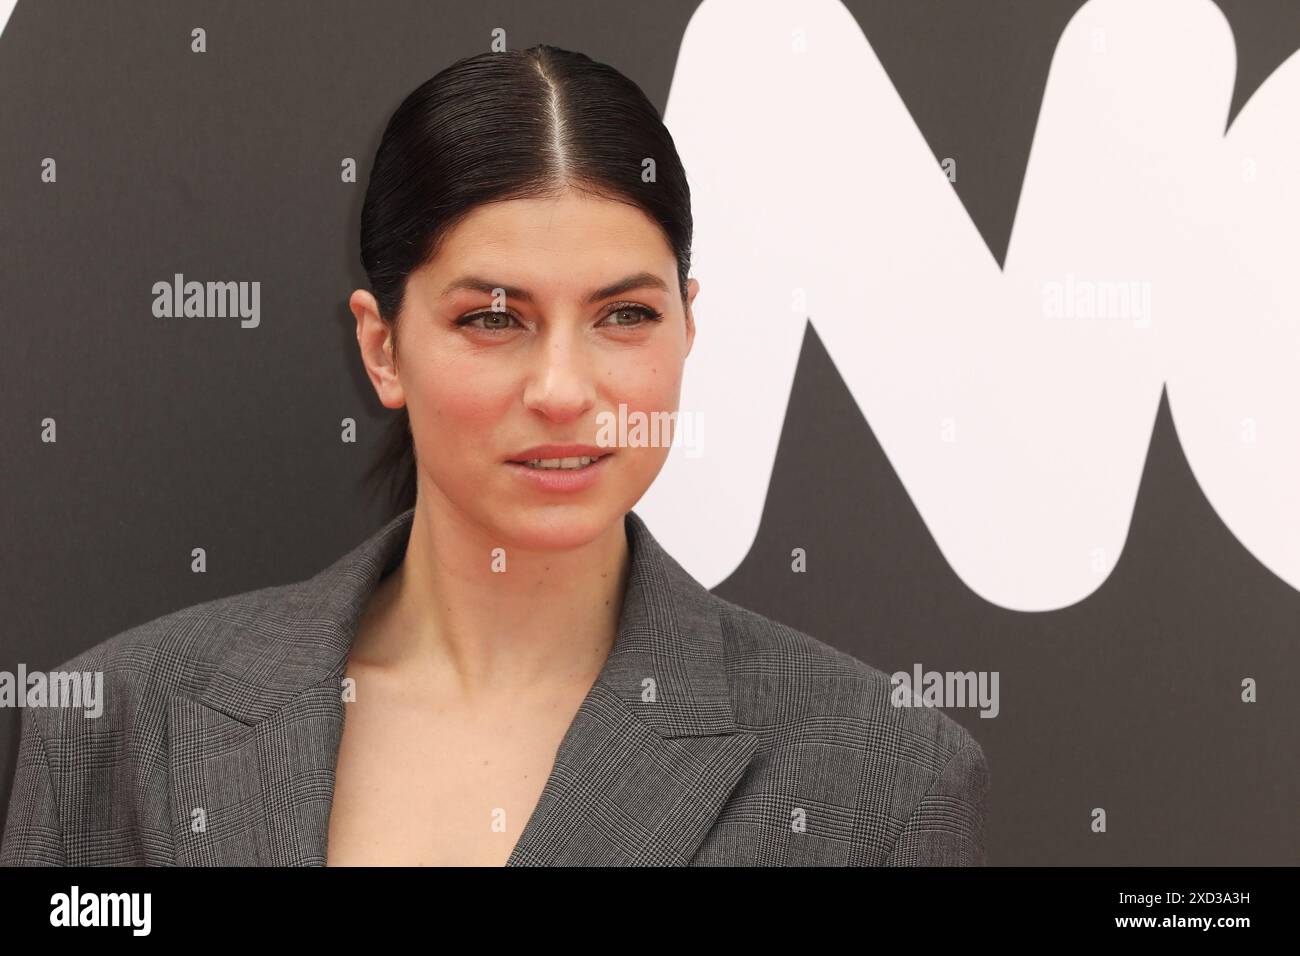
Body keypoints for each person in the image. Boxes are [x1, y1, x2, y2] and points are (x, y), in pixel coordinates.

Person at [0, 44, 988, 867]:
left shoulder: (881, 775)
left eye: (624, 314)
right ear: (382, 347)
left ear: (689, 327)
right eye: (492, 317)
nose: (562, 387)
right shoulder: (120, 728)